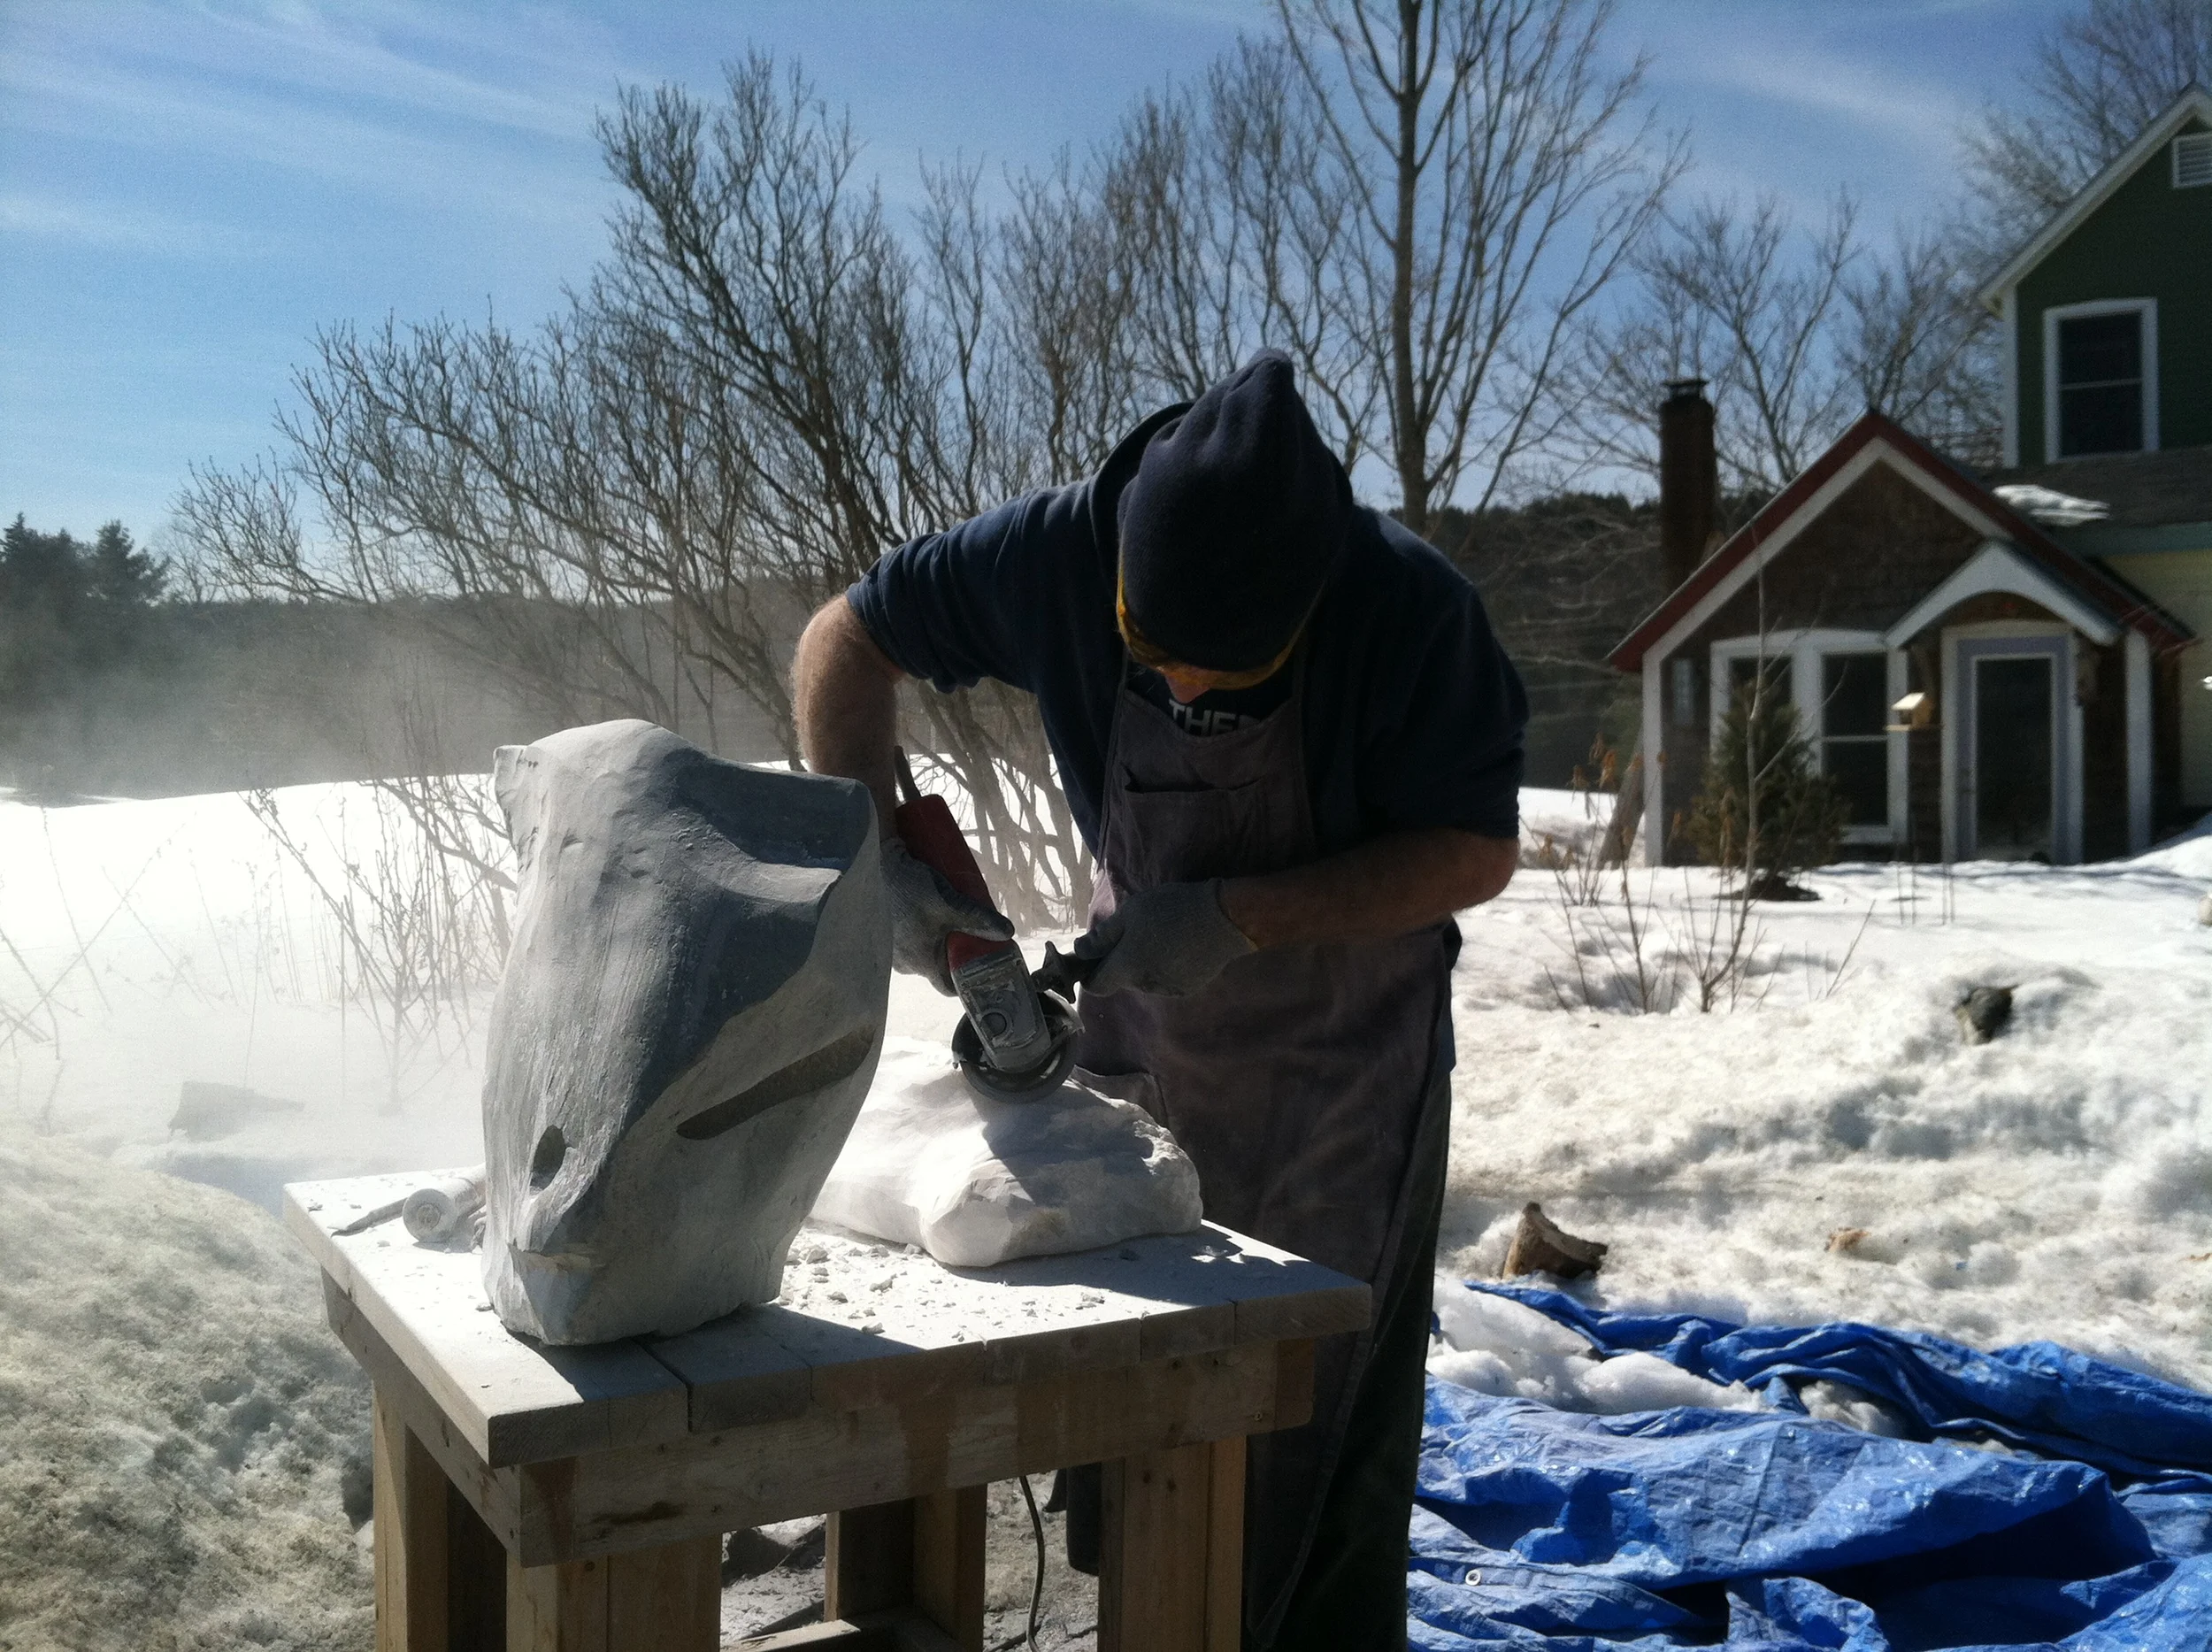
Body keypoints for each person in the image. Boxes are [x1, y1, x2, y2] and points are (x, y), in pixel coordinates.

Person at [792, 350, 1525, 1650]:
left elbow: (1474, 851)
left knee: (1310, 1425)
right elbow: (843, 641)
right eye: (1156, 658)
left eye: (1227, 678)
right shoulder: (1058, 549)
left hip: (1347, 1054)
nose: (1184, 695)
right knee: (1132, 1399)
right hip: (1147, 1016)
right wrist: (878, 848)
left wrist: (1246, 915)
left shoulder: (1411, 608)